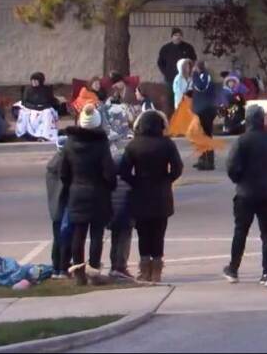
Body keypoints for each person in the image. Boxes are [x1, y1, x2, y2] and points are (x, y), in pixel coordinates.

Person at [223, 106, 267, 288]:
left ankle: (233, 269)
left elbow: (232, 166)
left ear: (247, 120)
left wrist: (239, 179)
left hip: (246, 192)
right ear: (262, 120)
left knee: (240, 231)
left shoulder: (242, 141)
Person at [121, 110, 183, 283]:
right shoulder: (167, 144)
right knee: (158, 232)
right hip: (161, 193)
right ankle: (157, 269)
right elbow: (177, 167)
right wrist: (167, 180)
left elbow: (123, 171)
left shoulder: (133, 145)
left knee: (143, 233)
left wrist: (135, 182)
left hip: (140, 192)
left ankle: (144, 268)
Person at [60, 105, 118, 286]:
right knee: (96, 234)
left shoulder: (69, 143)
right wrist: (110, 185)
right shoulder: (101, 144)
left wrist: (71, 186)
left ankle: (79, 273)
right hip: (98, 193)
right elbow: (109, 171)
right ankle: (93, 271)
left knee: (78, 233)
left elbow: (64, 172)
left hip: (77, 192)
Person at [157, 28, 198, 114]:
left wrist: (189, 73)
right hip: (170, 80)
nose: (178, 37)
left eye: (180, 35)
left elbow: (193, 61)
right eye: (175, 35)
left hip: (185, 79)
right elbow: (160, 63)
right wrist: (166, 73)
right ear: (172, 37)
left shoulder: (188, 47)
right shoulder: (165, 49)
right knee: (170, 99)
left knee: (186, 98)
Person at [108, 154, 135, 280]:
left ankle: (114, 266)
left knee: (114, 241)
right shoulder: (129, 181)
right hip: (125, 215)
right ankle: (120, 267)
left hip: (112, 216)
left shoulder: (109, 182)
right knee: (124, 241)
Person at [45, 147, 70, 278]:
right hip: (64, 207)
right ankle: (63, 268)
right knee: (66, 238)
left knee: (57, 238)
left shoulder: (51, 167)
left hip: (55, 209)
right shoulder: (63, 164)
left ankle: (56, 267)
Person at [15, 72, 61, 142]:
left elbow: (51, 101)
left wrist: (43, 106)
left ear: (40, 81)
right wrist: (34, 107)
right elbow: (24, 102)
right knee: (26, 114)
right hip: (31, 108)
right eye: (32, 80)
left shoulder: (46, 89)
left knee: (48, 113)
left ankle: (45, 135)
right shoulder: (28, 89)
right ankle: (29, 135)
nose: (33, 82)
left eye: (36, 80)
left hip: (44, 108)